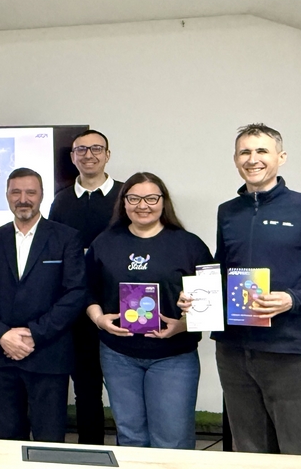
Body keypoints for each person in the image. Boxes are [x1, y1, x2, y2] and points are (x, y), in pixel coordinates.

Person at [185, 124, 301, 455]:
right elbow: (223, 269)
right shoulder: (228, 211)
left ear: (281, 157)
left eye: (261, 151)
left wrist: (292, 300)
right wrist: (198, 298)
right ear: (235, 159)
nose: (252, 159)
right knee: (249, 450)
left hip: (289, 350)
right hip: (234, 351)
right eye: (244, 152)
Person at [85, 172, 211, 449]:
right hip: (118, 355)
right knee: (131, 437)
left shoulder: (189, 245)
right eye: (134, 198)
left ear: (163, 201)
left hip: (173, 357)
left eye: (151, 198)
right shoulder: (104, 243)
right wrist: (99, 319)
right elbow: (87, 289)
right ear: (124, 202)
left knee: (173, 439)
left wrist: (184, 323)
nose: (143, 205)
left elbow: (211, 301)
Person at [0, 167, 86, 442]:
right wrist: (2, 334)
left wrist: (34, 333)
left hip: (48, 355)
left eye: (30, 192)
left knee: (49, 441)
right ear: (7, 195)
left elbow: (75, 294)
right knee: (6, 439)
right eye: (16, 192)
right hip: (3, 356)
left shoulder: (66, 238)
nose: (23, 199)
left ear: (42, 195)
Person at [48, 129, 121, 445]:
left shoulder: (126, 196)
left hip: (121, 303)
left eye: (96, 149)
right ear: (72, 157)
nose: (89, 155)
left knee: (125, 385)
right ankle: (91, 451)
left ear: (107, 154)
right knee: (86, 387)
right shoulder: (61, 201)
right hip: (76, 308)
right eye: (81, 150)